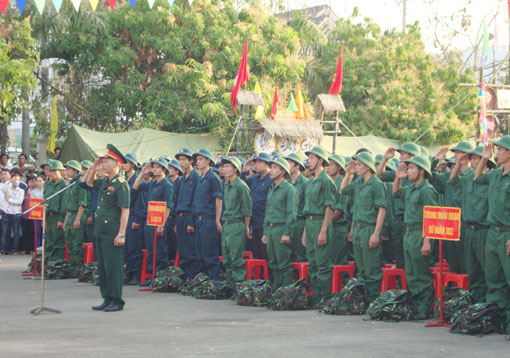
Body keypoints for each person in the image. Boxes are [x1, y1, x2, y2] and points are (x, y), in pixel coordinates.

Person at [393, 156, 439, 319]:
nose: (409, 171)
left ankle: (424, 307)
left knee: (421, 273)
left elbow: (432, 216)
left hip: (420, 233)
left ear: (421, 171)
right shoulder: (412, 188)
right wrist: (398, 178)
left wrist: (427, 241)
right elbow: (396, 192)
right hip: (409, 232)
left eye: (412, 168)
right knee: (411, 272)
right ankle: (415, 305)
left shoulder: (427, 190)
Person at [85, 144, 130, 312]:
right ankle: (107, 298)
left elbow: (125, 211)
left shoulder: (121, 183)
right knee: (103, 267)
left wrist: (121, 234)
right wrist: (94, 169)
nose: (103, 164)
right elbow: (89, 182)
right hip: (100, 230)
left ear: (116, 163)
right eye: (102, 161)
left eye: (106, 162)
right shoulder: (105, 180)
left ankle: (117, 300)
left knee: (113, 268)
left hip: (112, 231)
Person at [448, 145, 495, 303]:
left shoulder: (489, 180)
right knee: (472, 270)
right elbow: (452, 181)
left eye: (475, 159)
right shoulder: (468, 179)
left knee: (487, 269)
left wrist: (484, 157)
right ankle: (476, 304)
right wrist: (459, 164)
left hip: (483, 231)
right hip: (469, 230)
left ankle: (489, 304)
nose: (472, 161)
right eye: (472, 158)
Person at [474, 138, 510, 337]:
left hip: (507, 232)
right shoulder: (496, 175)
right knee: (494, 278)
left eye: (501, 150)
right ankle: (497, 319)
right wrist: (483, 159)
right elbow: (477, 179)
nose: (497, 153)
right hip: (493, 232)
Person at [341, 151, 386, 302]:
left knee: (371, 268)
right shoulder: (359, 183)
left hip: (369, 228)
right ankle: (364, 299)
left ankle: (373, 300)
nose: (357, 167)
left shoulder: (376, 184)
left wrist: (376, 233)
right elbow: (343, 190)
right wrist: (348, 174)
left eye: (359, 165)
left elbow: (382, 210)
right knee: (361, 268)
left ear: (367, 166)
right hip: (359, 229)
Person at [432, 141, 475, 274]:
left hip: (464, 224)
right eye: (455, 152)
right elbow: (431, 178)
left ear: (468, 156)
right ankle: (455, 291)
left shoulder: (473, 177)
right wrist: (435, 161)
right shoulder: (448, 177)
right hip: (449, 224)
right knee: (452, 262)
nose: (456, 155)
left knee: (466, 263)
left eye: (459, 152)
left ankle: (466, 292)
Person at [376, 142, 421, 269]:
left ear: (412, 156)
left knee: (413, 260)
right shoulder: (400, 173)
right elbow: (379, 175)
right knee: (400, 258)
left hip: (412, 222)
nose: (400, 157)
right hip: (398, 220)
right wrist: (385, 159)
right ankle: (402, 287)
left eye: (403, 154)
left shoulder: (420, 178)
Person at [302, 146, 336, 307]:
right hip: (309, 223)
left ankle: (324, 296)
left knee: (323, 263)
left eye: (312, 158)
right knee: (313, 262)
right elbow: (307, 209)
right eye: (309, 158)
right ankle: (315, 295)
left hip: (321, 222)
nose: (309, 161)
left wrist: (323, 230)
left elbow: (329, 207)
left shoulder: (326, 181)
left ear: (320, 160)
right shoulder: (311, 181)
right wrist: (304, 232)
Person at [134, 158, 173, 285]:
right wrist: (142, 172)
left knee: (160, 251)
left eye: (157, 167)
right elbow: (135, 186)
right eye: (153, 167)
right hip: (150, 221)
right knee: (151, 250)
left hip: (159, 222)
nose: (154, 169)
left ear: (164, 170)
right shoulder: (152, 183)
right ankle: (152, 276)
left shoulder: (167, 185)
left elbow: (168, 206)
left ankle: (159, 278)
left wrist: (162, 225)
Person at [262, 157, 297, 288]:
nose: (271, 171)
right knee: (273, 263)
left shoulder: (289, 189)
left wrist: (287, 233)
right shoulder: (271, 188)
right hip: (271, 229)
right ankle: (277, 291)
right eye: (271, 167)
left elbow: (291, 213)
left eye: (275, 168)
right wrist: (265, 231)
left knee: (284, 263)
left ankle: (286, 293)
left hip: (281, 229)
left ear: (283, 171)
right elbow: (268, 211)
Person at [193, 149, 222, 280]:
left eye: (201, 159)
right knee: (201, 252)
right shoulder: (201, 178)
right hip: (199, 220)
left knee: (210, 252)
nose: (198, 162)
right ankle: (204, 282)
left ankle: (214, 281)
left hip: (209, 219)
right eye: (197, 159)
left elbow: (218, 200)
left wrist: (217, 220)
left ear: (208, 161)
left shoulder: (213, 178)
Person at [221, 156, 252, 282]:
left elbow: (247, 209)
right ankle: (229, 283)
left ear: (235, 169)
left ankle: (238, 286)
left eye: (228, 166)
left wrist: (246, 227)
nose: (225, 169)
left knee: (236, 258)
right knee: (226, 257)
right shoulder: (227, 185)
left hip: (236, 224)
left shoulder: (241, 186)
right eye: (224, 166)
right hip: (227, 224)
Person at [174, 148, 201, 278]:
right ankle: (184, 277)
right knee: (182, 249)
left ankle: (192, 277)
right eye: (179, 160)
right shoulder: (181, 179)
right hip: (180, 217)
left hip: (189, 216)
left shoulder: (195, 177)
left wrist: (191, 222)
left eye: (184, 159)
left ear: (191, 161)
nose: (181, 162)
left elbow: (196, 201)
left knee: (190, 250)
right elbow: (178, 199)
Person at [62, 160, 88, 274]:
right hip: (70, 214)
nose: (66, 171)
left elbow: (82, 204)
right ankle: (72, 266)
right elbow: (68, 205)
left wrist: (77, 219)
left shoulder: (80, 184)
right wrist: (66, 221)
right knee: (70, 242)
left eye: (69, 169)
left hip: (78, 214)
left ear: (75, 171)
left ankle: (77, 268)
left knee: (77, 244)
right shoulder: (70, 185)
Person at [122, 153, 142, 285]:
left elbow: (141, 202)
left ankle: (135, 274)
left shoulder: (137, 180)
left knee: (134, 247)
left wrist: (138, 219)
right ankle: (128, 272)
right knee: (127, 247)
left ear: (132, 164)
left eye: (126, 162)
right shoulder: (124, 180)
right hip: (125, 216)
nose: (123, 165)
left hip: (134, 216)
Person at [327, 154, 350, 265]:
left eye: (331, 165)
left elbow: (340, 209)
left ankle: (343, 282)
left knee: (338, 262)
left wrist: (326, 223)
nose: (327, 168)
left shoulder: (342, 183)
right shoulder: (329, 183)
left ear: (339, 167)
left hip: (338, 227)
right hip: (329, 226)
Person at [285, 153, 308, 262]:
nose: (286, 165)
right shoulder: (286, 183)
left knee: (301, 254)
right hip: (289, 222)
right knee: (288, 254)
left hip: (300, 222)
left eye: (289, 163)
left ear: (298, 166)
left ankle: (304, 279)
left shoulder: (305, 183)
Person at [44, 160, 67, 261]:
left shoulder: (64, 184)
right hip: (49, 216)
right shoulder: (48, 184)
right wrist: (44, 219)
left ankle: (58, 263)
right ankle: (49, 263)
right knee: (49, 241)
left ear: (61, 171)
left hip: (58, 215)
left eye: (54, 170)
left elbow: (64, 204)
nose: (52, 173)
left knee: (58, 241)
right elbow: (45, 201)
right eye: (50, 170)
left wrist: (61, 219)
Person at [0, 172, 24, 255]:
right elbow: (2, 189)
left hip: (16, 213)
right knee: (4, 232)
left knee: (16, 232)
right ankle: (3, 249)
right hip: (6, 212)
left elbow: (19, 202)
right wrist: (9, 181)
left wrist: (9, 200)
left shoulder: (21, 191)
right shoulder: (8, 188)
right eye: (14, 179)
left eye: (17, 180)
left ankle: (15, 249)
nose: (16, 181)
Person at [165, 159, 183, 263]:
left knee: (176, 245)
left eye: (171, 168)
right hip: (168, 217)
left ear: (177, 170)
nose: (168, 170)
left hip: (176, 217)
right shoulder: (168, 182)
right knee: (169, 245)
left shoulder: (179, 183)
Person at [20, 175, 37, 254]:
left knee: (32, 232)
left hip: (34, 215)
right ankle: (25, 249)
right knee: (25, 232)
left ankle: (32, 249)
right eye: (30, 182)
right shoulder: (25, 190)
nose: (32, 183)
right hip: (24, 214)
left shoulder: (37, 190)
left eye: (33, 182)